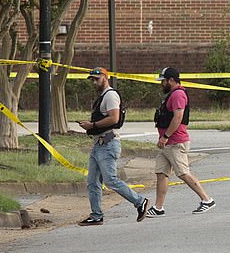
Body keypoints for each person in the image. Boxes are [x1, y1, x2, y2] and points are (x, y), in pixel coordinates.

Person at [77, 67, 149, 226]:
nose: (94, 82)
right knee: (92, 182)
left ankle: (140, 202)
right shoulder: (102, 97)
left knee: (110, 180)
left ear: (105, 77)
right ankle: (96, 215)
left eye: (97, 79)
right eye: (92, 79)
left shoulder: (110, 95)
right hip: (98, 144)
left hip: (108, 144)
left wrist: (92, 125)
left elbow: (114, 118)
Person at [145, 67, 215, 216]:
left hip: (175, 142)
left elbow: (178, 117)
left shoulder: (178, 94)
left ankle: (207, 200)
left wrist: (166, 136)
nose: (162, 84)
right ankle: (158, 208)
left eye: (163, 81)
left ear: (171, 80)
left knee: (183, 173)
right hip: (167, 144)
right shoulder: (172, 94)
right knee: (161, 173)